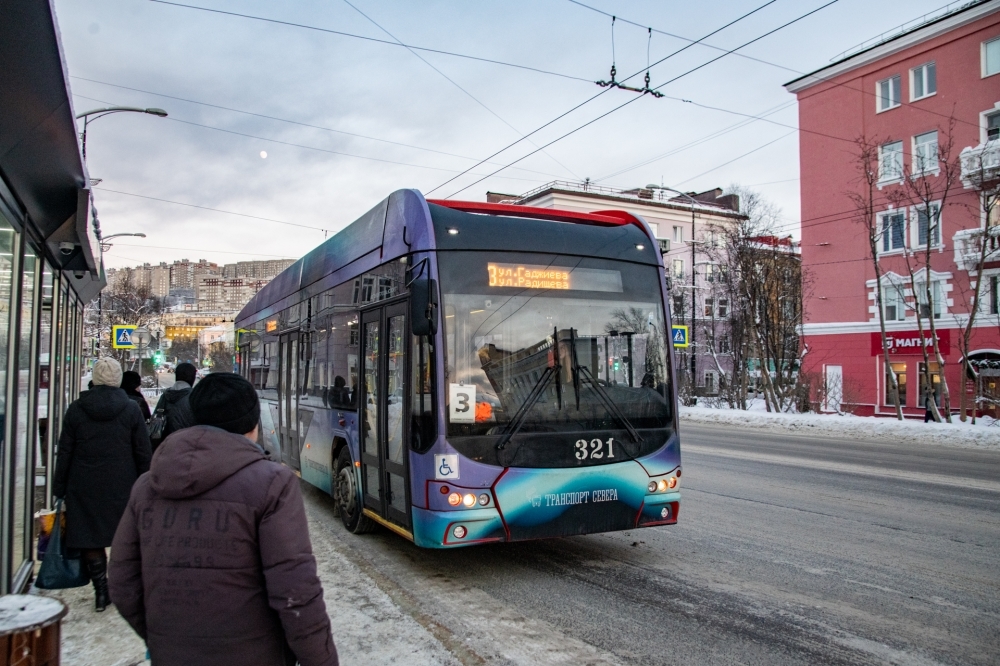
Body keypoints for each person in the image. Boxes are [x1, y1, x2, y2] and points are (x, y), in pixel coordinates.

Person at [109, 373, 339, 666]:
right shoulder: (272, 484)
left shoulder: (146, 486)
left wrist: (163, 638)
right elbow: (295, 593)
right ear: (253, 425)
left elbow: (121, 582)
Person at [53, 357, 152, 612]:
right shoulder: (131, 409)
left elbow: (65, 451)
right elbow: (142, 451)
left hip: (83, 483)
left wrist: (59, 487)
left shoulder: (76, 409)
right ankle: (126, 589)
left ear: (95, 379)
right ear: (117, 379)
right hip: (123, 483)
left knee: (90, 538)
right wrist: (148, 483)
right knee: (126, 536)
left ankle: (101, 592)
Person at [150, 362, 196, 450]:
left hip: (165, 448)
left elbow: (155, 424)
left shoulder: (165, 396)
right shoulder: (194, 398)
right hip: (188, 448)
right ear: (193, 377)